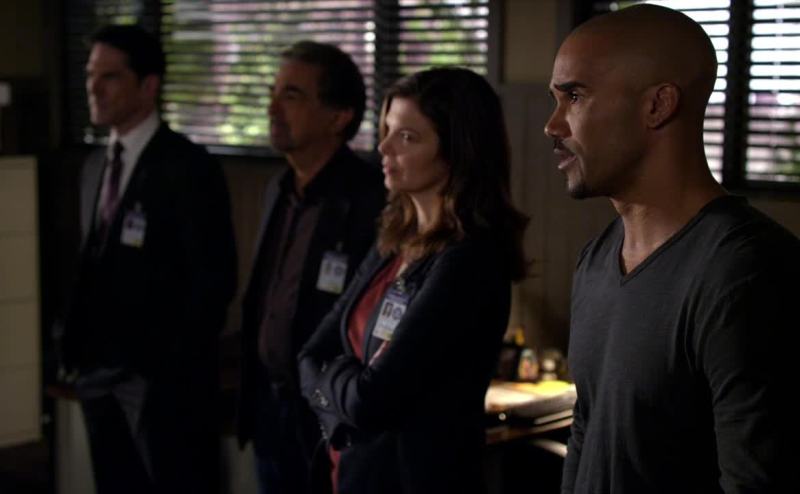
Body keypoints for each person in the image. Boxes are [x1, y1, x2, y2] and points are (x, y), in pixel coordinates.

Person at [544, 5, 800, 493]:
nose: (553, 125)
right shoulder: (596, 260)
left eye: (574, 96)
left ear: (658, 106)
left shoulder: (747, 272)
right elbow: (586, 433)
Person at [298, 67, 529, 494]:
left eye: (407, 137)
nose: (383, 147)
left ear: (457, 151)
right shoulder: (395, 239)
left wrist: (334, 383)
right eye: (386, 130)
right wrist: (348, 385)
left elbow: (372, 401)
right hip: (348, 474)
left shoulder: (468, 260)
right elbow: (310, 354)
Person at [53, 24, 237, 494]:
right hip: (98, 374)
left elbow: (213, 282)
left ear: (148, 85)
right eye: (90, 75)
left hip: (162, 383)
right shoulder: (95, 165)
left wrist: (165, 369)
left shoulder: (189, 167)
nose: (94, 87)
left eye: (110, 76)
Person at [236, 40, 385, 494]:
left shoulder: (370, 199)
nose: (272, 108)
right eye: (273, 92)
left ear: (338, 117)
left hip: (326, 417)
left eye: (292, 95)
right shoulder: (279, 188)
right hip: (269, 406)